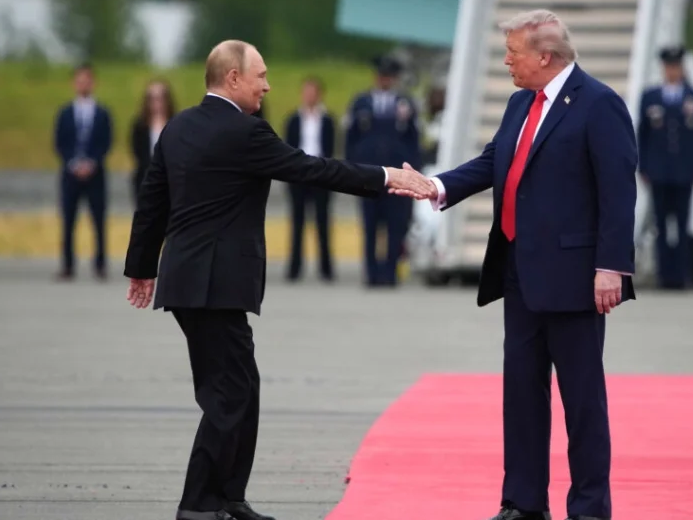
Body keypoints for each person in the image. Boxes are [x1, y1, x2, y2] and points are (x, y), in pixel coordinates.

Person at [123, 40, 434, 520]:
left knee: (240, 387)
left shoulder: (179, 127)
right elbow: (312, 167)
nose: (267, 84)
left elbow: (152, 202)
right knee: (228, 395)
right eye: (260, 75)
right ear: (232, 78)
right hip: (216, 283)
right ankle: (199, 506)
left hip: (189, 282)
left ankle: (229, 498)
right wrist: (387, 176)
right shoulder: (245, 132)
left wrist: (142, 267)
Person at [392, 10, 638, 520]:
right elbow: (493, 161)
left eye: (513, 52)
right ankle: (523, 504)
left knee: (582, 403)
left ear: (544, 56)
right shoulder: (520, 103)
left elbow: (618, 191)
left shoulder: (599, 105)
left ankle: (589, 508)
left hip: (575, 280)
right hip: (520, 274)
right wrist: (436, 185)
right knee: (522, 397)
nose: (506, 60)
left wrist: (612, 266)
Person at [344, 55, 423, 287]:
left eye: (389, 76)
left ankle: (390, 272)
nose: (385, 80)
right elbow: (351, 138)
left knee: (395, 225)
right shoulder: (361, 102)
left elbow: (414, 140)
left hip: (397, 175)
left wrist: (413, 172)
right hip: (369, 173)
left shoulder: (405, 104)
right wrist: (352, 168)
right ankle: (371, 273)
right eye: (382, 75)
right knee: (369, 224)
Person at [636, 46, 693, 289]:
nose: (672, 71)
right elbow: (643, 135)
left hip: (684, 171)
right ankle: (664, 274)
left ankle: (682, 274)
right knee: (661, 225)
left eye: (676, 67)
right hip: (658, 171)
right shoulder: (651, 97)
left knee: (683, 224)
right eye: (669, 67)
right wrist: (643, 166)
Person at [53, 62, 113, 281]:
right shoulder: (65, 113)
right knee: (68, 220)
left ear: (93, 82)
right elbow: (59, 143)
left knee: (98, 221)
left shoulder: (102, 113)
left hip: (95, 175)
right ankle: (68, 265)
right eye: (80, 80)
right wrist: (73, 163)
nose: (84, 83)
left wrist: (92, 163)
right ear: (74, 83)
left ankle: (100, 265)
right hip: (71, 175)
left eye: (87, 79)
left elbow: (107, 142)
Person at [283, 77, 337, 281]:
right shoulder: (294, 119)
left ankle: (326, 268)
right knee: (297, 223)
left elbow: (331, 147)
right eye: (307, 91)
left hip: (320, 174)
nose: (310, 96)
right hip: (299, 174)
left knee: (323, 222)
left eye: (313, 92)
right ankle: (294, 268)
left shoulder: (327, 119)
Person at [130, 79, 177, 202]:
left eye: (160, 98)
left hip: (171, 181)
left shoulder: (176, 124)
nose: (157, 103)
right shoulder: (140, 126)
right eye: (152, 98)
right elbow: (137, 152)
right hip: (145, 180)